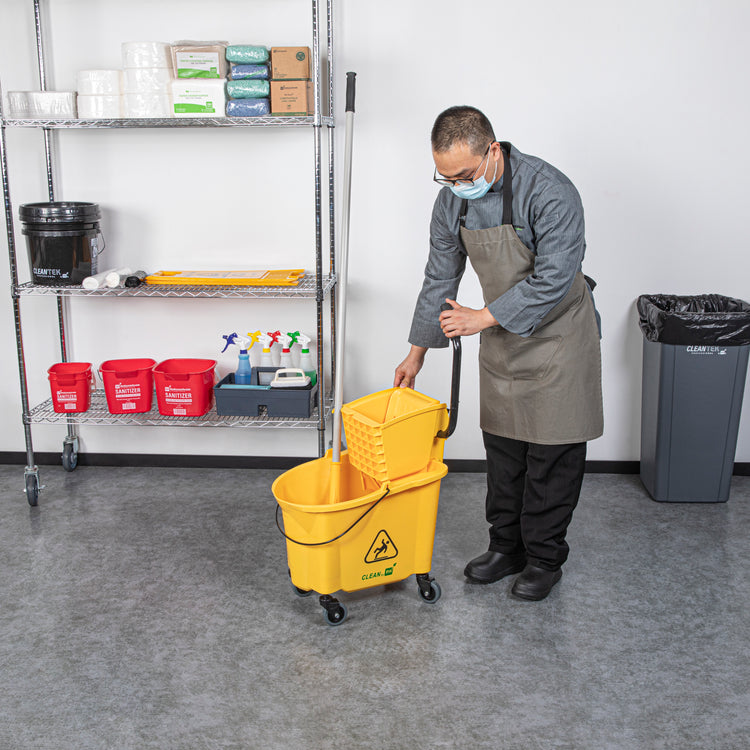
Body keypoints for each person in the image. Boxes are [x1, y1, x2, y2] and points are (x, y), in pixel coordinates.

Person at [394, 106, 603, 601]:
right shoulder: (452, 200)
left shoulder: (549, 190)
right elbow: (439, 276)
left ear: (493, 150)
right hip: (503, 338)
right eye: (445, 178)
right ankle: (505, 547)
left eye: (465, 175)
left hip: (559, 336)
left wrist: (482, 317)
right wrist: (416, 353)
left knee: (551, 453)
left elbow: (554, 277)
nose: (457, 186)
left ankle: (544, 559)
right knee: (505, 452)